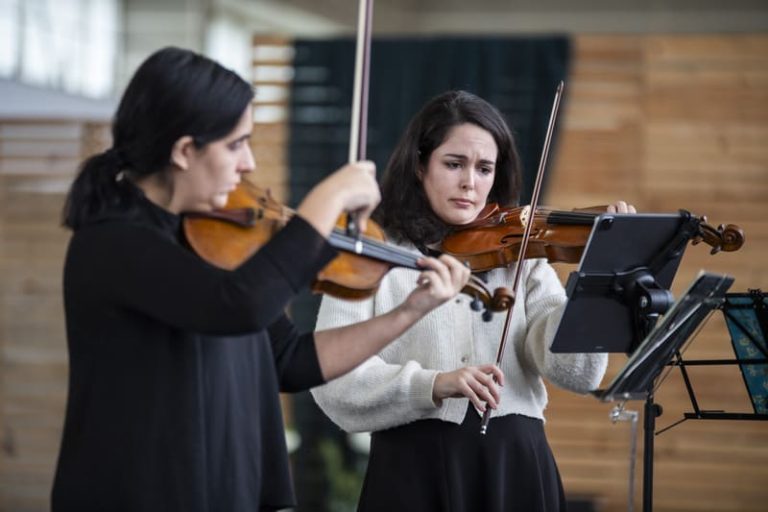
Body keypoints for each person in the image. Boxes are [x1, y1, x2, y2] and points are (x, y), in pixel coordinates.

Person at [51, 47, 471, 512]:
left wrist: (410, 311)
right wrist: (325, 201)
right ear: (184, 151)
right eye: (236, 144)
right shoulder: (112, 244)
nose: (247, 163)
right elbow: (235, 306)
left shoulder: (211, 241)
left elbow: (288, 360)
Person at [310, 90, 636, 511]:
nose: (470, 183)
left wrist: (598, 279)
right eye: (454, 164)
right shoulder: (370, 253)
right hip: (414, 470)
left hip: (515, 466)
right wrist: (433, 384)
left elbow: (577, 373)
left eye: (484, 168)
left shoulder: (522, 257)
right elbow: (333, 380)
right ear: (419, 165)